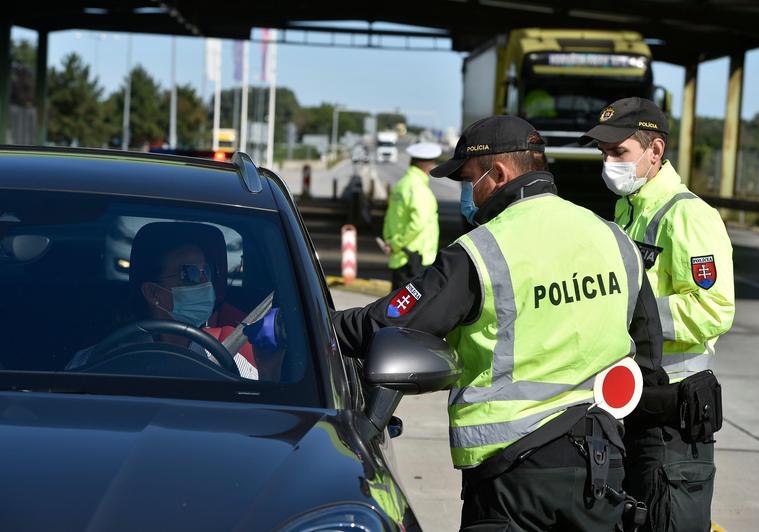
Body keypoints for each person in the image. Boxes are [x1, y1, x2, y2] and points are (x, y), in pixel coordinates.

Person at [335, 116, 664, 531]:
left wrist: (310, 324)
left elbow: (388, 321)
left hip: (512, 478)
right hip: (602, 471)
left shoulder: (480, 251)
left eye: (470, 179)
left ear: (501, 173)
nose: (468, 194)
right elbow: (649, 354)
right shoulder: (614, 238)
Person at [579, 97, 735, 532]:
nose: (608, 162)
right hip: (630, 404)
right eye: (603, 153)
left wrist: (631, 314)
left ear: (655, 151)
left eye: (618, 152)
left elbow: (714, 309)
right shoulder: (628, 210)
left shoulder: (688, 217)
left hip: (673, 417)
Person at [67, 222, 284, 381]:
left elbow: (261, 415)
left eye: (206, 272)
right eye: (188, 274)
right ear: (153, 293)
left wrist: (269, 371)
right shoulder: (103, 359)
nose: (203, 282)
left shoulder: (230, 360)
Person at [382, 142, 441, 289]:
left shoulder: (401, 185)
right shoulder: (419, 189)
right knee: (414, 310)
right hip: (414, 260)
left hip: (400, 258)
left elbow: (390, 218)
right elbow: (418, 223)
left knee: (397, 307)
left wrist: (389, 241)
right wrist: (397, 244)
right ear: (428, 165)